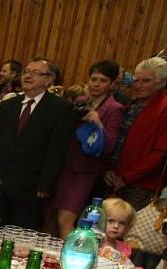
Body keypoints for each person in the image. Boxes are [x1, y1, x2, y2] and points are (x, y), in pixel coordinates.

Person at [0, 58, 73, 229]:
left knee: (21, 233)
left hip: (32, 185)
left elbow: (57, 149)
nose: (28, 76)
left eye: (36, 73)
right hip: (1, 182)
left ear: (48, 79)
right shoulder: (8, 105)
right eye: (26, 72)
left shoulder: (60, 108)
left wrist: (46, 184)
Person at [48, 60, 125, 239]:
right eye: (93, 79)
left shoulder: (115, 108)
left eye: (103, 80)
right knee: (49, 217)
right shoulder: (80, 101)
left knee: (65, 220)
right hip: (62, 167)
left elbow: (110, 145)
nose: (96, 84)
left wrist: (98, 123)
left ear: (112, 84)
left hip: (83, 172)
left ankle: (70, 261)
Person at [105, 57, 167, 210]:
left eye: (146, 81)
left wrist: (127, 178)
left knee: (130, 232)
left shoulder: (164, 109)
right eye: (136, 80)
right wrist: (107, 169)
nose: (138, 85)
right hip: (115, 181)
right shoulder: (132, 105)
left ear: (162, 83)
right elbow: (118, 142)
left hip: (142, 187)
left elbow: (160, 154)